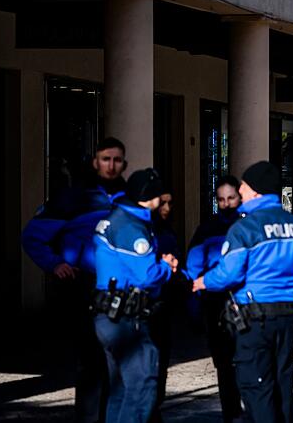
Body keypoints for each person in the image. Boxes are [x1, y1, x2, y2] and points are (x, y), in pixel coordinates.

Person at [192, 162, 293, 423]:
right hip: (289, 315)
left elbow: (230, 274)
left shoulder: (245, 228)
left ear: (255, 191)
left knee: (257, 385)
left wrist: (204, 282)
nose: (240, 190)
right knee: (282, 381)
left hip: (254, 318)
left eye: (244, 186)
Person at [21, 137, 128, 423]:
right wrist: (55, 264)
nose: (111, 165)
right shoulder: (71, 198)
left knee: (121, 362)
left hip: (126, 290)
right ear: (95, 162)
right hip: (88, 289)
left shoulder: (131, 197)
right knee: (92, 363)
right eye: (105, 159)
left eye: (117, 159)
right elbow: (32, 236)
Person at [92, 168, 178, 423]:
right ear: (149, 195)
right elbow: (147, 275)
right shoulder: (130, 226)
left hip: (110, 314)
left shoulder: (119, 217)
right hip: (126, 318)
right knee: (142, 385)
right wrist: (167, 266)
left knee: (120, 389)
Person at [184, 176, 244, 422]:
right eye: (221, 199)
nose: (226, 204)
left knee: (245, 360)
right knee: (223, 363)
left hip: (244, 301)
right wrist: (195, 308)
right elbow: (193, 269)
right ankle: (232, 413)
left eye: (231, 198)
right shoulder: (207, 230)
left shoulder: (248, 226)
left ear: (239, 197)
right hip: (215, 303)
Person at [149, 190, 181, 423]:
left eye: (171, 203)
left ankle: (154, 406)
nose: (167, 209)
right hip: (145, 304)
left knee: (161, 361)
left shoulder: (168, 232)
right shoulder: (142, 231)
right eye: (163, 203)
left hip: (164, 304)